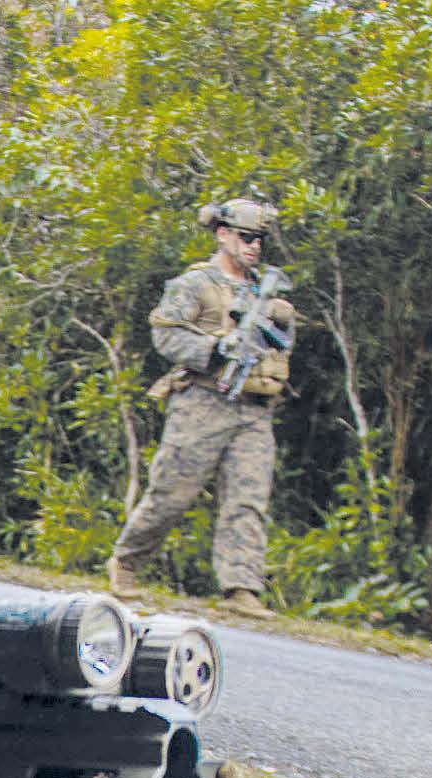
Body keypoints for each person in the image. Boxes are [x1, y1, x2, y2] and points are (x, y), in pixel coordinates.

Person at [107, 197, 295, 619]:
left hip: (253, 408)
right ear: (223, 234)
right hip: (202, 402)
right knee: (172, 492)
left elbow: (284, 345)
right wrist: (214, 348)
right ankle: (126, 563)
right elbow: (165, 336)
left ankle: (241, 588)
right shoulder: (196, 284)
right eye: (246, 237)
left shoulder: (265, 290)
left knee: (248, 498)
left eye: (259, 240)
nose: (254, 246)